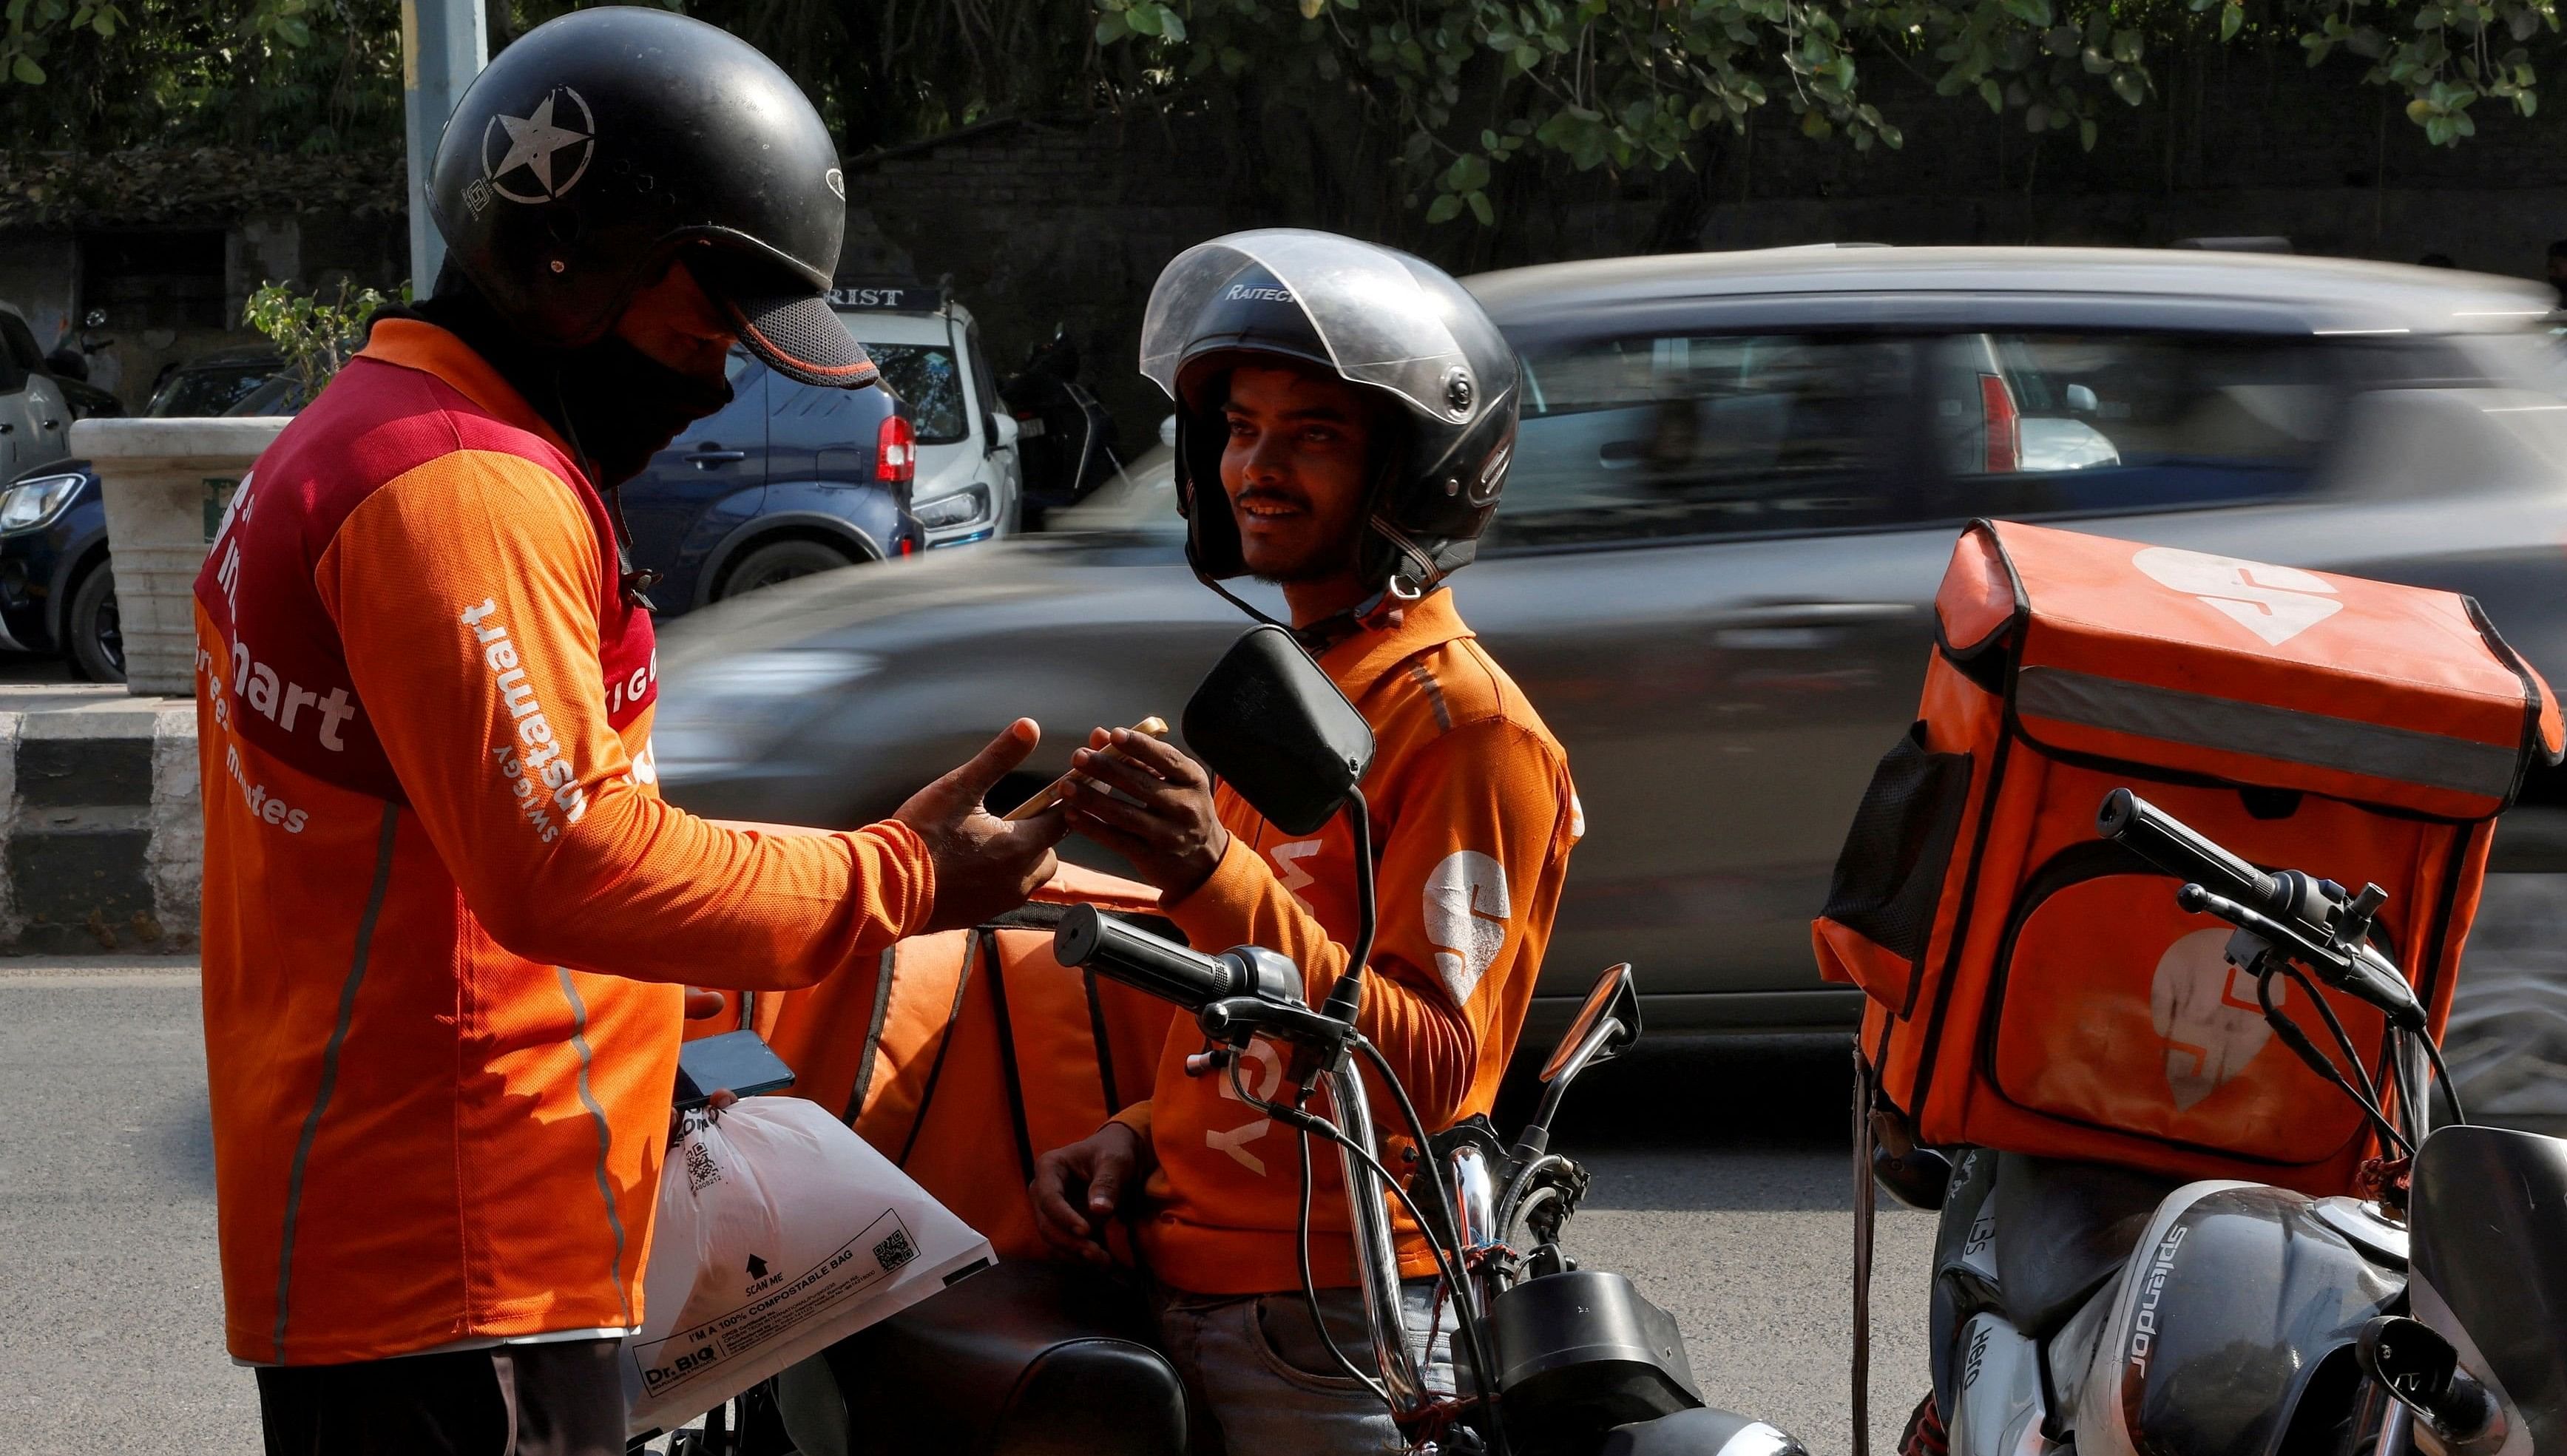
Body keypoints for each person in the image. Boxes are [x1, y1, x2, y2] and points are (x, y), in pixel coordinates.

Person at [192, 12, 1062, 1453]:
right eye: (705, 323)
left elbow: (455, 861)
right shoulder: (455, 490)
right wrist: (899, 877)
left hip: (424, 1226)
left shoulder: (368, 440)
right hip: (466, 1254)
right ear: (570, 259)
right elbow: (570, 862)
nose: (720, 377)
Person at [1027, 230, 1584, 1452]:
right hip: (1189, 1272)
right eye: (1238, 428)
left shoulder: (1463, 723)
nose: (1256, 468)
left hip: (1333, 1320)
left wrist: (1205, 869)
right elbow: (1257, 1001)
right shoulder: (1311, 682)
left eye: (1312, 435)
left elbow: (1437, 1063)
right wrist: (1139, 1128)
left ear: (1417, 471)